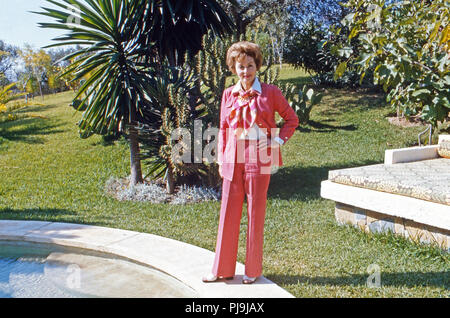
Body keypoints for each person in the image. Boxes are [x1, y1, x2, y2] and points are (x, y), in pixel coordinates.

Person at [202, 41, 299, 284]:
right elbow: (224, 127)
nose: (245, 71)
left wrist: (277, 142)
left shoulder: (271, 92)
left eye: (250, 66)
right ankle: (222, 269)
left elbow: (291, 120)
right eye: (241, 66)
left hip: (260, 155)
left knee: (256, 211)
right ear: (233, 68)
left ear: (257, 66)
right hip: (233, 156)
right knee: (227, 212)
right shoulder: (228, 94)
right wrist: (221, 156)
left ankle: (252, 270)